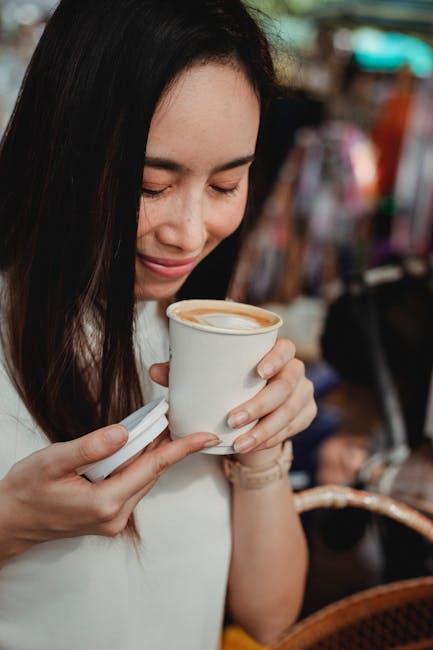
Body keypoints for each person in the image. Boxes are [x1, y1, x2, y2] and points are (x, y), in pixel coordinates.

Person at [0, 2, 316, 649]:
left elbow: (270, 616)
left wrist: (262, 453)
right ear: (59, 148)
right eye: (148, 186)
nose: (190, 233)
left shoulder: (195, 340)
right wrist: (11, 525)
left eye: (226, 184)